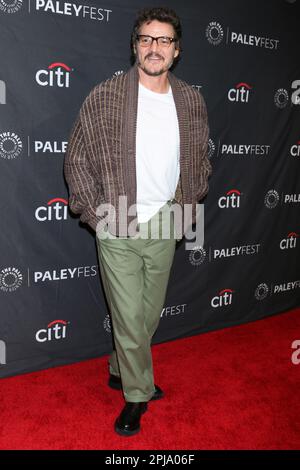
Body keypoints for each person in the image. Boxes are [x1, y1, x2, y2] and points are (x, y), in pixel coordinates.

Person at [64, 6, 212, 437]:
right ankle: (136, 393)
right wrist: (95, 214)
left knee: (147, 313)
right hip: (118, 218)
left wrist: (190, 198)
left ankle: (117, 366)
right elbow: (77, 158)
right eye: (147, 39)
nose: (154, 47)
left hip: (168, 216)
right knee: (129, 314)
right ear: (135, 45)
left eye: (164, 40)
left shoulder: (190, 99)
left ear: (177, 51)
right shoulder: (105, 96)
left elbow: (201, 157)